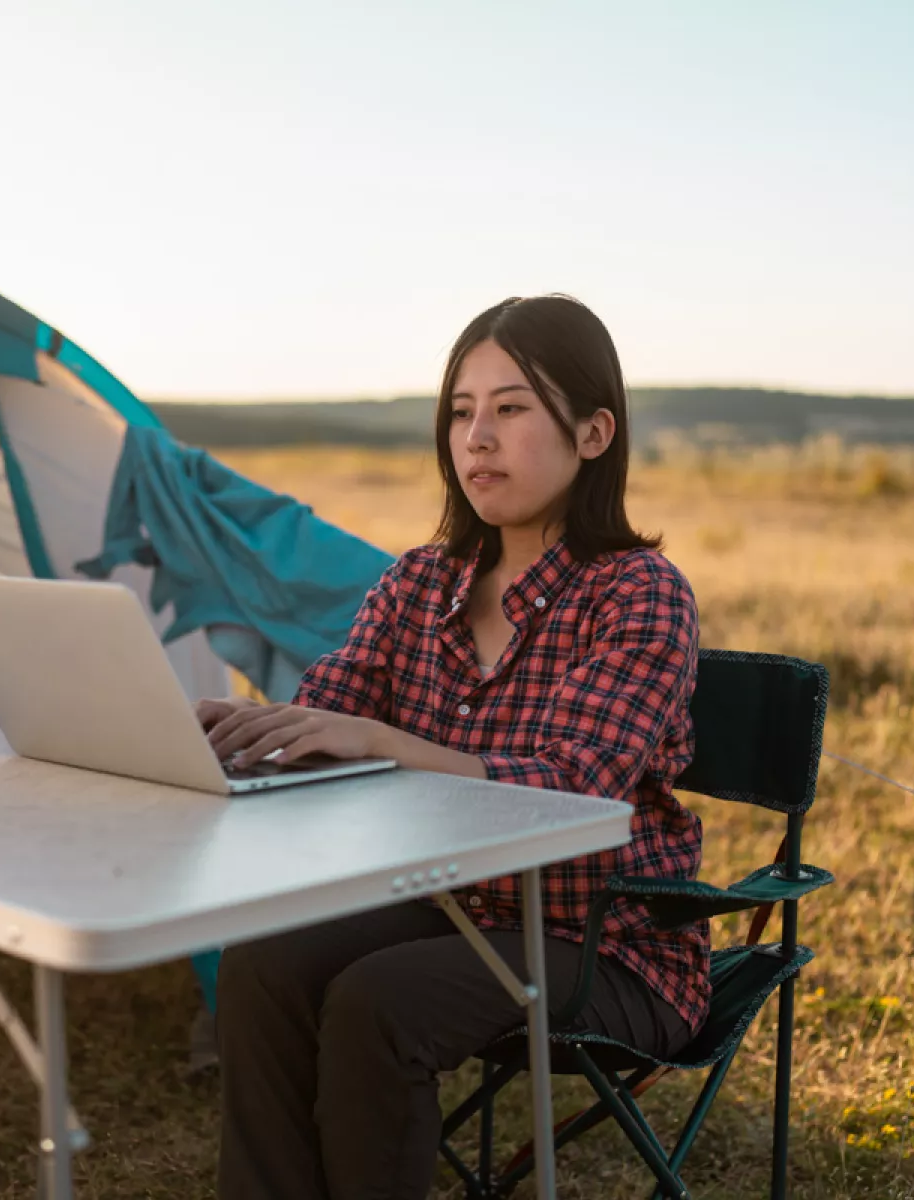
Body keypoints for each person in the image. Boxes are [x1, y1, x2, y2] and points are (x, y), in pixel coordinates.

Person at [198, 295, 708, 1200]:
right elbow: (329, 715)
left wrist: (379, 741)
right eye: (461, 412)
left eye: (511, 409)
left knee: (377, 1002)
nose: (476, 438)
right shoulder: (419, 582)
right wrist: (238, 737)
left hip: (606, 942)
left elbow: (568, 787)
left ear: (593, 433)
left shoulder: (638, 594)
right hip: (455, 905)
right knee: (263, 964)